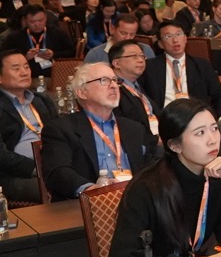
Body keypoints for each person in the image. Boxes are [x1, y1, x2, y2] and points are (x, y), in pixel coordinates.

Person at [106, 98, 221, 257]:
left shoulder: (217, 179)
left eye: (214, 128)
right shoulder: (146, 188)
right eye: (200, 133)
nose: (212, 139)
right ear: (175, 146)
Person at [41, 62, 158, 200]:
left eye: (115, 80)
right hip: (86, 206)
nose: (114, 86)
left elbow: (151, 167)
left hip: (133, 201)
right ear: (82, 92)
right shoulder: (61, 129)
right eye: (104, 81)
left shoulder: (133, 128)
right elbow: (58, 173)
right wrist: (92, 192)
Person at [141, 21, 221, 117]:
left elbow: (219, 95)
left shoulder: (202, 65)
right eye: (168, 36)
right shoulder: (149, 67)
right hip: (164, 118)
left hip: (196, 117)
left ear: (185, 38)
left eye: (178, 34)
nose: (175, 40)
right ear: (160, 44)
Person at [0, 49, 55, 204]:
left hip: (51, 165)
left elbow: (61, 134)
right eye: (16, 69)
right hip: (16, 175)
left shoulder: (42, 100)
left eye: (26, 67)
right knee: (57, 188)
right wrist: (37, 168)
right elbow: (1, 156)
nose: (24, 72)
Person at [1, 5, 75, 78]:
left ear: (45, 18)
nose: (37, 24)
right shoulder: (15, 37)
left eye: (40, 20)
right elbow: (4, 56)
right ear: (25, 20)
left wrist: (54, 54)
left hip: (54, 74)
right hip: (26, 76)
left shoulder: (58, 33)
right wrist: (24, 57)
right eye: (32, 22)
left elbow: (72, 52)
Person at [84, 12, 154, 64]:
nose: (127, 38)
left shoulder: (146, 50)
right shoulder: (96, 54)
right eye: (123, 33)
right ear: (112, 29)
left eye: (132, 34)